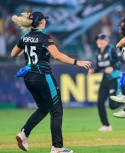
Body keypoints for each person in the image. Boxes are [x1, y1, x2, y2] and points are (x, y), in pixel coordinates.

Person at [11, 11, 92, 153]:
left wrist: (29, 48)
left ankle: (24, 133)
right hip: (43, 76)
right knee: (56, 110)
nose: (45, 21)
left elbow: (13, 53)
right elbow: (57, 55)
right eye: (44, 20)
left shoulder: (26, 37)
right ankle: (57, 148)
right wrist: (77, 62)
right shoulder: (44, 37)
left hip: (29, 77)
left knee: (43, 108)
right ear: (41, 22)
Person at [88, 33, 124, 132]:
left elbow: (122, 61)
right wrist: (94, 71)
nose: (98, 41)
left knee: (112, 106)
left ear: (107, 41)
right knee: (100, 102)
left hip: (114, 79)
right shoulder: (98, 53)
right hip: (105, 79)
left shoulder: (112, 50)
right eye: (97, 39)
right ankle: (106, 125)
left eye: (101, 39)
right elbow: (101, 67)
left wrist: (112, 67)